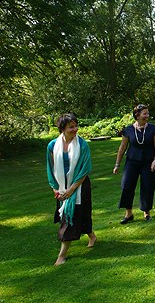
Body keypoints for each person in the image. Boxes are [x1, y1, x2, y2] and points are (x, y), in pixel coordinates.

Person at [46, 113, 96, 266]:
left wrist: (72, 189)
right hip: (62, 188)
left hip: (80, 186)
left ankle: (61, 256)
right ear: (62, 129)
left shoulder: (82, 145)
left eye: (76, 126)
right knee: (79, 216)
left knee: (70, 218)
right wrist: (55, 188)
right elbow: (51, 167)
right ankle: (92, 235)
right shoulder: (52, 146)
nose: (75, 129)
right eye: (71, 127)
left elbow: (85, 169)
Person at [113, 104, 155, 223]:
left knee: (147, 186)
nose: (147, 116)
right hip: (132, 161)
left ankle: (146, 212)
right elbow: (122, 148)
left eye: (147, 113)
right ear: (137, 115)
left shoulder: (153, 129)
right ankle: (128, 214)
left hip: (148, 161)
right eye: (145, 113)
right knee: (126, 186)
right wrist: (117, 165)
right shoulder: (128, 130)